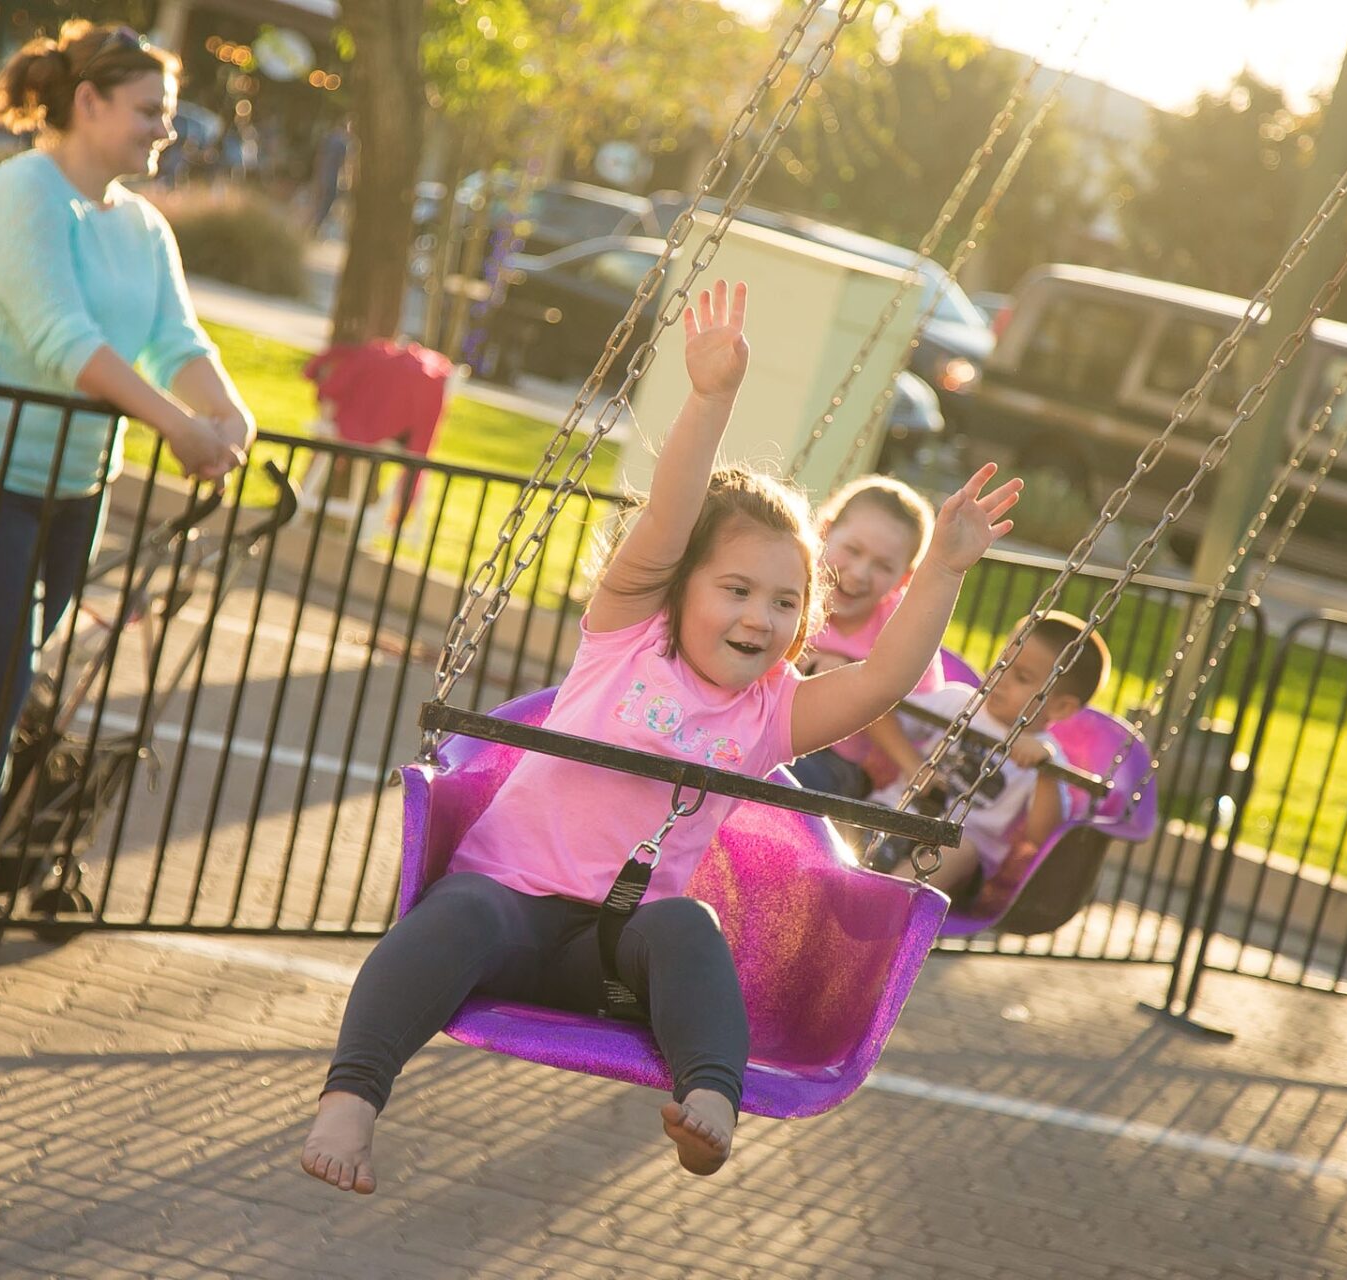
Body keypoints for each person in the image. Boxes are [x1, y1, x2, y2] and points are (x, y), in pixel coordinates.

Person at [300, 280, 1022, 1193]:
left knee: (690, 923)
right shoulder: (624, 640)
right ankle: (353, 1100)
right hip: (508, 912)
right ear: (680, 587)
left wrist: (944, 572)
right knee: (456, 914)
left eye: (785, 601)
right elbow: (669, 522)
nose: (761, 615)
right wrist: (711, 399)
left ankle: (709, 1098)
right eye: (737, 589)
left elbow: (881, 679)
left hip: (618, 954)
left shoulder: (771, 715)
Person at [0, 20, 252, 1000]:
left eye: (167, 112)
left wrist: (226, 411)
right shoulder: (21, 192)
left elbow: (173, 336)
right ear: (89, 104)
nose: (165, 131)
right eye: (150, 111)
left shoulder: (140, 225)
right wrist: (176, 431)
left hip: (69, 492)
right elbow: (66, 339)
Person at [869, 614, 1108, 918]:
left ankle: (882, 908)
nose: (1001, 678)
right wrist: (912, 762)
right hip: (893, 815)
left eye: (1021, 677)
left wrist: (1045, 774)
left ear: (1061, 707)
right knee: (852, 816)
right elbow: (879, 715)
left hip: (959, 859)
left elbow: (1040, 835)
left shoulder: (1046, 758)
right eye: (1003, 662)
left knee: (960, 851)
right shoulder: (958, 703)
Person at [787, 476, 941, 798]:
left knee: (784, 780)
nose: (859, 573)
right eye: (853, 550)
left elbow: (919, 718)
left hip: (842, 761)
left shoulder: (903, 625)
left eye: (883, 566)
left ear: (904, 578)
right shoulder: (789, 585)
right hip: (765, 728)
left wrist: (846, 673)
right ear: (824, 534)